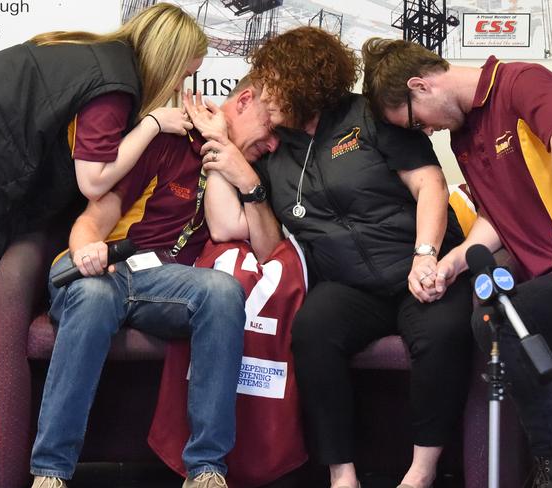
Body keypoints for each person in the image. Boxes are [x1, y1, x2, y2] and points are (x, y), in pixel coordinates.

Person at [187, 27, 474, 488]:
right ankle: (343, 476)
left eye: (274, 83)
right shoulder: (277, 146)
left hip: (419, 267)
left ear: (303, 82)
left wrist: (426, 255)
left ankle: (421, 472)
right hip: (348, 285)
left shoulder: (368, 114)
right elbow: (224, 226)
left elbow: (430, 186)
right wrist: (224, 145)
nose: (265, 93)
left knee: (443, 331)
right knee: (313, 329)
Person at [0, 3, 206, 486]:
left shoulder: (95, 53)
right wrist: (155, 124)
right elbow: (93, 181)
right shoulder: (114, 85)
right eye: (183, 75)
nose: (181, 89)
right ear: (167, 58)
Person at [361, 38, 552, 488]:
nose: (426, 133)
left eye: (416, 123)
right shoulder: (464, 137)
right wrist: (451, 263)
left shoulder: (520, 82)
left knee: (500, 316)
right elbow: (496, 215)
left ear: (421, 85)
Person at [29, 76, 279, 488]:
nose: (273, 144)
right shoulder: (167, 141)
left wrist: (240, 170)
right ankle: (51, 473)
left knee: (221, 291)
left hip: (163, 284)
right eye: (270, 128)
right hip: (103, 268)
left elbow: (261, 243)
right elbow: (92, 221)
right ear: (245, 101)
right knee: (92, 296)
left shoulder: (246, 168)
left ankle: (206, 471)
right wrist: (87, 251)